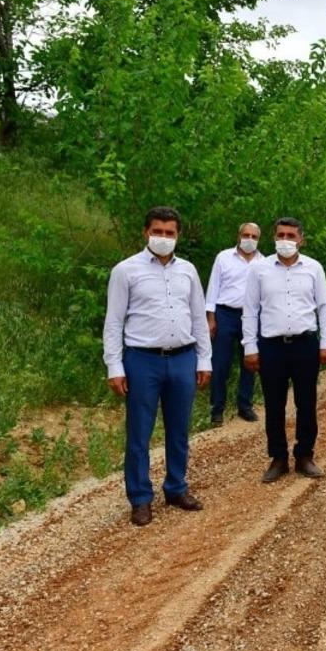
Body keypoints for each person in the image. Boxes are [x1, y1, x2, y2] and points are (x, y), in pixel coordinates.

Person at [103, 206, 211, 526]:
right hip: (142, 360)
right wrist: (115, 366)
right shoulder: (126, 271)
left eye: (170, 233)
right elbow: (114, 322)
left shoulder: (188, 271)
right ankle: (140, 498)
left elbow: (198, 317)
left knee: (179, 429)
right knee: (139, 432)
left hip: (182, 358)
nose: (163, 238)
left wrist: (204, 359)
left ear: (178, 235)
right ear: (145, 232)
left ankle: (176, 488)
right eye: (158, 231)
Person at [242, 217, 326, 484]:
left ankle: (305, 455)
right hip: (271, 346)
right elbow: (250, 310)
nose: (286, 241)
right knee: (274, 404)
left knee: (306, 402)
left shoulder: (313, 269)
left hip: (306, 344)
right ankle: (278, 458)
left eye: (291, 236)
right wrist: (250, 346)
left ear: (301, 240)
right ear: (273, 237)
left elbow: (324, 306)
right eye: (281, 235)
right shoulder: (259, 270)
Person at [204, 222, 264, 425]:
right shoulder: (224, 257)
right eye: (246, 235)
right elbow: (213, 288)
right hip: (225, 314)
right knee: (220, 363)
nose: (249, 240)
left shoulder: (263, 262)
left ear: (259, 239)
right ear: (238, 236)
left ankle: (245, 406)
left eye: (254, 237)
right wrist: (210, 318)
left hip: (251, 316)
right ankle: (217, 409)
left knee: (250, 361)